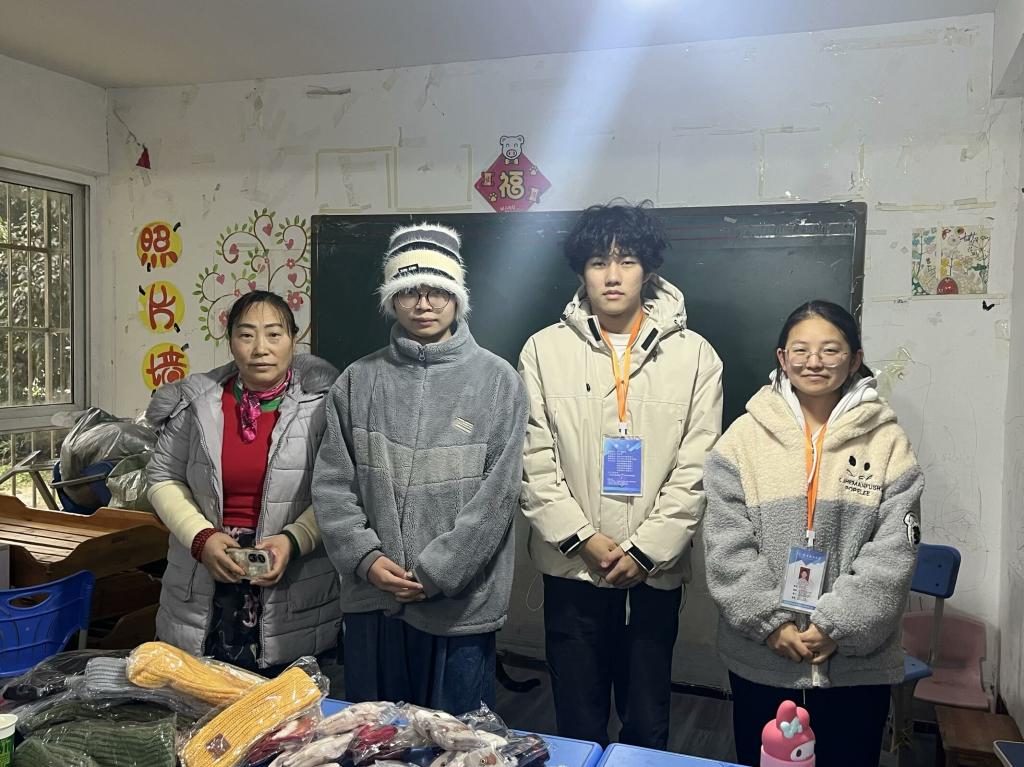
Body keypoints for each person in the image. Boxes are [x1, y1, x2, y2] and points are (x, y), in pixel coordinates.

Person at [519, 201, 723, 748]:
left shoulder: (696, 356)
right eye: (597, 262)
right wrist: (582, 539)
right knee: (577, 721)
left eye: (626, 260)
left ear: (648, 269)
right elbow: (534, 461)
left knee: (647, 722)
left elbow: (697, 468)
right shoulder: (543, 350)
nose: (612, 275)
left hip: (651, 575)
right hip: (573, 569)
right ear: (580, 271)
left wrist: (645, 551)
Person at [313, 222, 528, 714]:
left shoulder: (498, 381)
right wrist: (367, 559)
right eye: (410, 291)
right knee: (376, 736)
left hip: (461, 605)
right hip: (374, 599)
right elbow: (331, 486)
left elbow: (498, 496)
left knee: (457, 738)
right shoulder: (357, 381)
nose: (424, 304)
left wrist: (438, 572)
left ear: (457, 297)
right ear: (392, 298)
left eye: (437, 290)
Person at [702, 300, 924, 767]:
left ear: (855, 359)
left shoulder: (888, 442)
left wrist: (836, 626)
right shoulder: (742, 439)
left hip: (856, 665)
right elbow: (726, 543)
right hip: (763, 657)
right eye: (800, 350)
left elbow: (894, 551)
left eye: (831, 350)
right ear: (782, 359)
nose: (814, 362)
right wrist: (772, 623)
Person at [146, 290, 341, 673]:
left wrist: (293, 540)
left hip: (292, 582)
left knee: (285, 703)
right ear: (230, 340)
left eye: (274, 334)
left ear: (294, 340)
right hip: (205, 577)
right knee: (199, 697)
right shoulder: (196, 404)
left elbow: (341, 489)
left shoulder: (323, 407)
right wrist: (201, 538)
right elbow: (162, 477)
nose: (260, 348)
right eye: (246, 335)